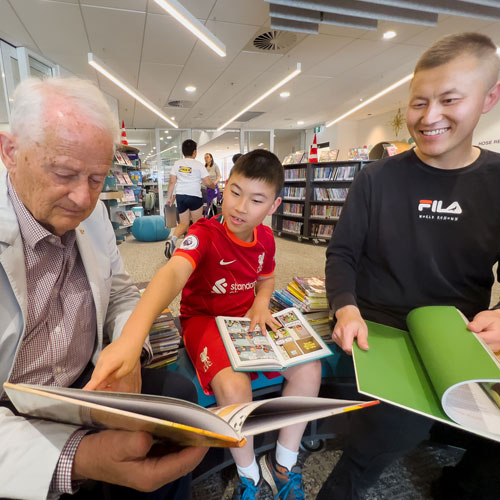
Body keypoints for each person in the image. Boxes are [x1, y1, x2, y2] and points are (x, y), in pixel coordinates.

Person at [0, 77, 206, 500]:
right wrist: (81, 457)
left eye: (97, 178)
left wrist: (131, 351)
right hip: (12, 416)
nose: (82, 198)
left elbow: (120, 293)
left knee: (182, 403)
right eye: (64, 173)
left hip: (89, 384)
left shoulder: (94, 217)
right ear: (10, 153)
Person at [318, 32, 500, 500]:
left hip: (459, 336)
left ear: (488, 98)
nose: (430, 116)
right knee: (393, 427)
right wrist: (346, 308)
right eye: (419, 102)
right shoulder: (376, 179)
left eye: (449, 99)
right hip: (383, 331)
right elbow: (341, 255)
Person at [86, 149, 323, 500]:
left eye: (257, 200)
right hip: (204, 320)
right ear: (224, 189)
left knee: (310, 368)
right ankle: (249, 476)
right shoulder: (204, 232)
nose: (241, 207)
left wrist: (260, 301)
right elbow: (173, 273)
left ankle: (284, 463)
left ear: (273, 206)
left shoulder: (267, 240)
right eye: (235, 192)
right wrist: (132, 337)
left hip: (245, 319)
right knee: (233, 387)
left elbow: (267, 279)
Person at [164, 140, 215, 258]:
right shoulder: (198, 165)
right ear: (195, 152)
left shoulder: (177, 164)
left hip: (181, 196)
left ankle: (172, 241)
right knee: (198, 223)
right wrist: (213, 186)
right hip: (194, 195)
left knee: (183, 223)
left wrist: (169, 198)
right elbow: (207, 182)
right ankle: (198, 248)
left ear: (183, 152)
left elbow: (172, 181)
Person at [202, 152, 221, 216]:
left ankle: (214, 217)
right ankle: (208, 217)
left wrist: (215, 182)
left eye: (207, 157)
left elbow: (219, 176)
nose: (206, 159)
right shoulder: (204, 167)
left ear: (211, 158)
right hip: (205, 187)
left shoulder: (215, 166)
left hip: (213, 187)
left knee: (213, 203)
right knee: (207, 203)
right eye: (205, 158)